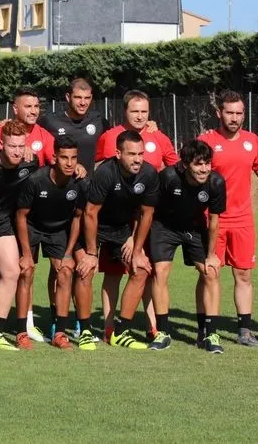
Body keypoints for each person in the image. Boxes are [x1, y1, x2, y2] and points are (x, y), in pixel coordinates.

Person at [95, 90, 177, 341]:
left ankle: (151, 326)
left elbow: (173, 169)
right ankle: (109, 327)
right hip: (115, 220)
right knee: (113, 273)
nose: (140, 116)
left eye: (144, 111)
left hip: (146, 219)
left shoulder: (158, 138)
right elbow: (99, 167)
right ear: (125, 112)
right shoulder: (110, 137)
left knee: (145, 270)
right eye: (135, 111)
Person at [197, 91, 258, 346]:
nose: (234, 118)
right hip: (213, 220)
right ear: (219, 113)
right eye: (229, 113)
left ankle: (244, 331)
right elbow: (191, 174)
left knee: (244, 275)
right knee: (209, 274)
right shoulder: (206, 140)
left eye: (239, 113)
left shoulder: (252, 141)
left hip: (243, 221)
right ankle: (205, 329)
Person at [81, 130, 159, 350]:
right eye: (131, 154)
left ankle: (120, 330)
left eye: (141, 153)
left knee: (141, 269)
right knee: (86, 270)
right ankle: (86, 330)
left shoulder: (149, 174)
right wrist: (90, 252)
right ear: (118, 153)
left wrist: (136, 245)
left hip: (123, 229)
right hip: (95, 226)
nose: (137, 159)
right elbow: (90, 213)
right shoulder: (105, 173)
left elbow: (146, 214)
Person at [148, 140, 227, 353]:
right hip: (164, 227)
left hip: (194, 227)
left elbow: (214, 220)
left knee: (210, 272)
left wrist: (211, 255)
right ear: (184, 165)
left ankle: (210, 333)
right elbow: (148, 209)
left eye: (207, 164)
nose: (204, 169)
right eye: (198, 164)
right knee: (160, 271)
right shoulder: (168, 177)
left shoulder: (216, 183)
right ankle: (163, 332)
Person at [16, 135, 91, 351]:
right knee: (26, 271)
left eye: (73, 158)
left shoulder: (79, 184)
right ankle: (22, 331)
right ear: (54, 158)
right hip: (32, 227)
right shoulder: (35, 180)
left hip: (58, 230)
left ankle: (60, 332)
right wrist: (25, 253)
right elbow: (21, 216)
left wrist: (68, 253)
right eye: (64, 157)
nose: (69, 163)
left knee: (66, 272)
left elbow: (77, 218)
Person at [0, 121, 38, 351]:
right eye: (12, 146)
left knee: (12, 271)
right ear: (0, 143)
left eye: (21, 146)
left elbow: (56, 166)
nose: (17, 151)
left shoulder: (30, 164)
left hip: (0, 223)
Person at [9, 87, 58, 342]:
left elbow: (56, 165)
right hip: (8, 213)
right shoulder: (3, 132)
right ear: (15, 108)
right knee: (11, 270)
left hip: (36, 215)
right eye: (27, 106)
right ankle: (1, 321)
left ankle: (28, 323)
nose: (33, 111)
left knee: (31, 269)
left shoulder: (44, 136)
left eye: (36, 106)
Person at [40, 78, 110, 174]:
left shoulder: (98, 119)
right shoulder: (50, 121)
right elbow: (30, 135)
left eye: (87, 98)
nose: (83, 103)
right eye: (78, 97)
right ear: (68, 97)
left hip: (87, 184)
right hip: (59, 185)